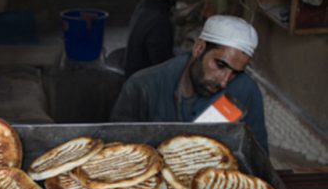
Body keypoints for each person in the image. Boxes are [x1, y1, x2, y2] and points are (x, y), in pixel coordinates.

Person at [110, 15, 268, 152]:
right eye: (220, 65)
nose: (224, 82)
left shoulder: (247, 92)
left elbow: (257, 154)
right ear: (199, 48)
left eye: (235, 73)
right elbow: (116, 150)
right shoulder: (143, 86)